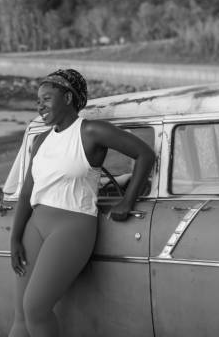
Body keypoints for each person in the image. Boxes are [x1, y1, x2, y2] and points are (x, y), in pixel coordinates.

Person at [8, 69, 155, 337]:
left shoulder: (90, 132)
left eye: (47, 98)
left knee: (35, 309)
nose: (40, 105)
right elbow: (27, 191)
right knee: (19, 315)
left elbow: (144, 154)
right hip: (36, 224)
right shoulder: (41, 140)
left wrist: (127, 201)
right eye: (38, 100)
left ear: (67, 97)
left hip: (72, 226)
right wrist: (15, 237)